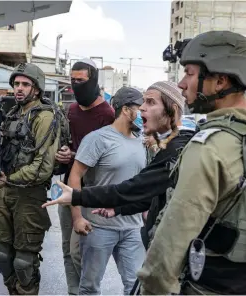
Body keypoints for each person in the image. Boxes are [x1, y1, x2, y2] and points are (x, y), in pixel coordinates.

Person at [136, 30, 246, 294]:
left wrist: (153, 287)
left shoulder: (210, 146)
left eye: (189, 73)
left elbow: (173, 238)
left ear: (220, 81)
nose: (180, 84)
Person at [42, 81, 195, 250]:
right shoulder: (169, 144)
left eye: (150, 102)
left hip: (173, 244)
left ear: (172, 110)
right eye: (142, 102)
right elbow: (152, 195)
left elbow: (136, 187)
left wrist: (78, 196)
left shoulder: (178, 149)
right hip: (110, 227)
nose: (142, 108)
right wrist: (119, 209)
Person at [0, 63, 61, 295]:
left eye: (25, 84)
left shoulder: (44, 117)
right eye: (16, 84)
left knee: (24, 261)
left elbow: (42, 167)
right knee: (3, 255)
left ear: (37, 89)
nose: (19, 89)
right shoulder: (12, 114)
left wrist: (7, 179)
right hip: (6, 193)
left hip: (29, 196)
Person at [70, 86, 147, 295]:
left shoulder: (143, 142)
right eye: (141, 108)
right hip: (98, 227)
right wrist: (77, 218)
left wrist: (147, 215)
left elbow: (141, 184)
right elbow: (75, 177)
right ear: (125, 109)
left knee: (136, 286)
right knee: (90, 287)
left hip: (132, 227)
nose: (144, 112)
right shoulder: (98, 139)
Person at [55, 59, 115, 295]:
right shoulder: (70, 111)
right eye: (73, 80)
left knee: (80, 250)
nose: (76, 85)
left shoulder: (107, 114)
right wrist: (62, 154)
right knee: (66, 248)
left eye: (81, 80)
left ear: (94, 81)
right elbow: (67, 144)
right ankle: (74, 291)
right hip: (68, 187)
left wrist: (76, 155)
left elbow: (108, 156)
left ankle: (86, 291)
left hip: (91, 191)